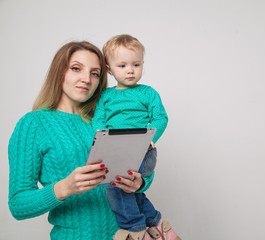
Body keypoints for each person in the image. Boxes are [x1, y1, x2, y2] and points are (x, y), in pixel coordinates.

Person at [8, 41, 155, 240]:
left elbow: (138, 167)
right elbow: (18, 204)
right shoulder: (33, 124)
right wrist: (64, 188)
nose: (86, 79)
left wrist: (140, 183)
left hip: (128, 235)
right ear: (59, 71)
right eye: (76, 68)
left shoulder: (106, 119)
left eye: (95, 73)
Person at [92, 34, 180, 240]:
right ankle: (158, 225)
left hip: (142, 149)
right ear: (109, 69)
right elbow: (98, 120)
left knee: (115, 186)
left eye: (136, 64)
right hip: (116, 150)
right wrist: (102, 140)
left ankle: (135, 229)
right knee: (130, 190)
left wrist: (150, 138)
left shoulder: (148, 93)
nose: (130, 70)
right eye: (122, 65)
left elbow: (160, 117)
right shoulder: (105, 96)